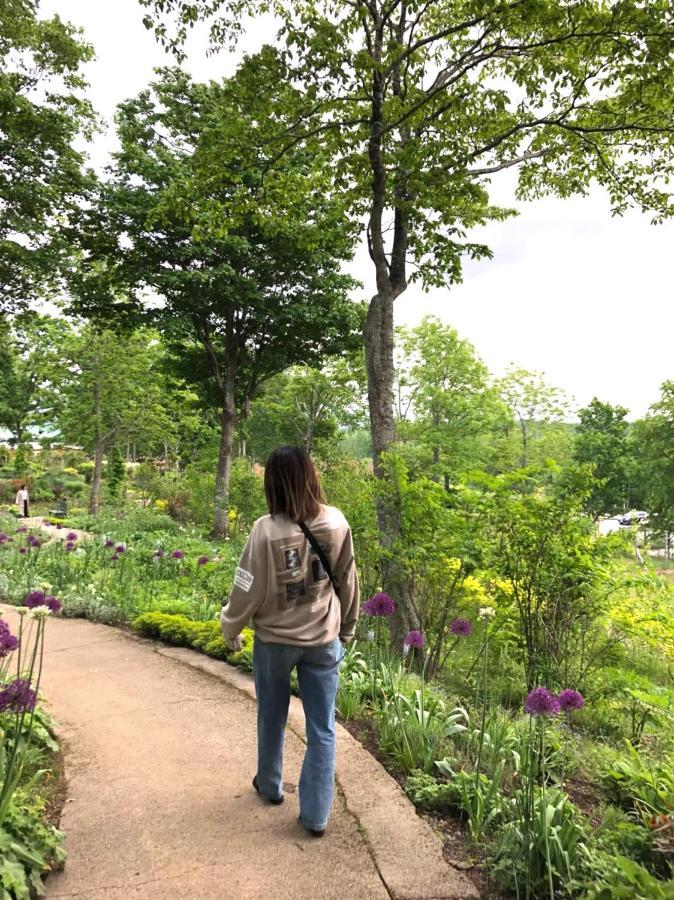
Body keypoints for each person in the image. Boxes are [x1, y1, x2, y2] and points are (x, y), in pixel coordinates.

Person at [220, 446, 359, 837]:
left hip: (275, 642)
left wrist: (231, 626)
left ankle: (270, 785)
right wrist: (347, 627)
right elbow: (348, 581)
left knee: (271, 715)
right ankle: (316, 816)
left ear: (273, 483)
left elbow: (246, 587)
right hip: (323, 640)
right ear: (311, 476)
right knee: (322, 728)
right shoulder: (336, 522)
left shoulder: (265, 530)